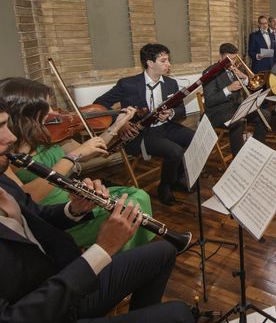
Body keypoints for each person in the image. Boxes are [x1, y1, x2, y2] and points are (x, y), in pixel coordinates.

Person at [0, 98, 194, 322]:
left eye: (6, 124)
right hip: (51, 306)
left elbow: (36, 214)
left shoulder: (3, 182)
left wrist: (74, 209)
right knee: (179, 314)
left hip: (65, 274)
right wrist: (102, 250)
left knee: (165, 251)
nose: (11, 137)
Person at [0, 77, 154, 251]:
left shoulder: (46, 134)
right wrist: (72, 157)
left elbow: (91, 151)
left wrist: (116, 126)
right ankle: (115, 258)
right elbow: (26, 198)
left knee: (138, 197)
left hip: (73, 198)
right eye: (46, 107)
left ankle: (130, 255)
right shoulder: (4, 154)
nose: (53, 112)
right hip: (52, 214)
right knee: (130, 209)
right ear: (24, 113)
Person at [95, 43, 194, 206]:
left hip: (165, 127)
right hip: (139, 134)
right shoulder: (128, 84)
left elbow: (181, 109)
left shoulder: (171, 84)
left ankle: (177, 178)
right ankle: (165, 186)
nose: (168, 64)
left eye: (168, 60)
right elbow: (100, 104)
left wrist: (171, 113)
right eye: (164, 61)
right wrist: (121, 123)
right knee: (175, 151)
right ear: (149, 63)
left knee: (194, 138)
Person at [202, 43, 271, 157]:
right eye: (229, 59)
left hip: (236, 107)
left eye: (234, 59)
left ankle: (257, 148)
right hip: (217, 112)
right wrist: (228, 89)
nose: (233, 62)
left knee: (265, 115)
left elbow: (252, 86)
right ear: (221, 57)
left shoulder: (234, 68)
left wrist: (244, 76)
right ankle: (238, 158)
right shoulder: (210, 73)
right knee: (237, 122)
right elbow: (209, 100)